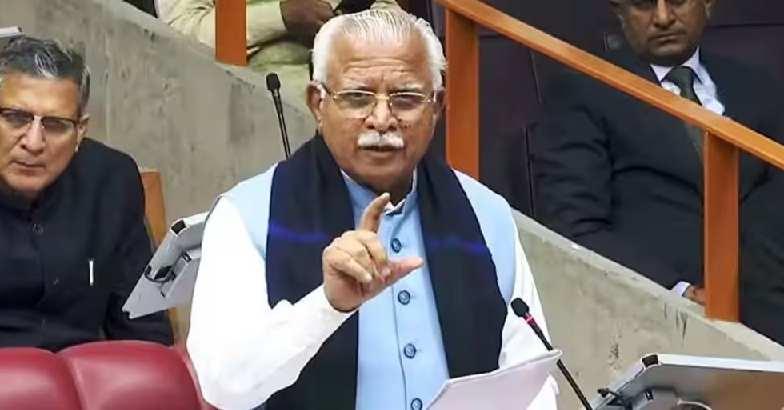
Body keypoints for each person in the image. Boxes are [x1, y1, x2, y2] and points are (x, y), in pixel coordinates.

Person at [188, 9, 558, 410]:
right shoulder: (247, 216)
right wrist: (327, 305)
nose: (382, 120)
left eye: (405, 99)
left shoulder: (485, 214)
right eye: (357, 98)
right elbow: (222, 386)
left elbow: (531, 378)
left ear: (437, 106)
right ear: (317, 103)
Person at [535, 0, 784, 343]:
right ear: (620, 13)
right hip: (664, 316)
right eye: (643, 4)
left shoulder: (756, 85)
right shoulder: (585, 88)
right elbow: (573, 225)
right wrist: (675, 291)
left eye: (677, 1)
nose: (663, 18)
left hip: (770, 301)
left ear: (708, 4)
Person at [0, 36, 173, 351]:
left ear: (80, 131)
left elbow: (142, 326)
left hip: (84, 375)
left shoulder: (110, 180)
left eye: (55, 124)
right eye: (16, 118)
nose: (34, 143)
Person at [158, 0, 401, 112]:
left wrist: (356, 27)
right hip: (258, 104)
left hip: (357, 89)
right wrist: (281, 17)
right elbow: (183, 33)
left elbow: (389, 12)